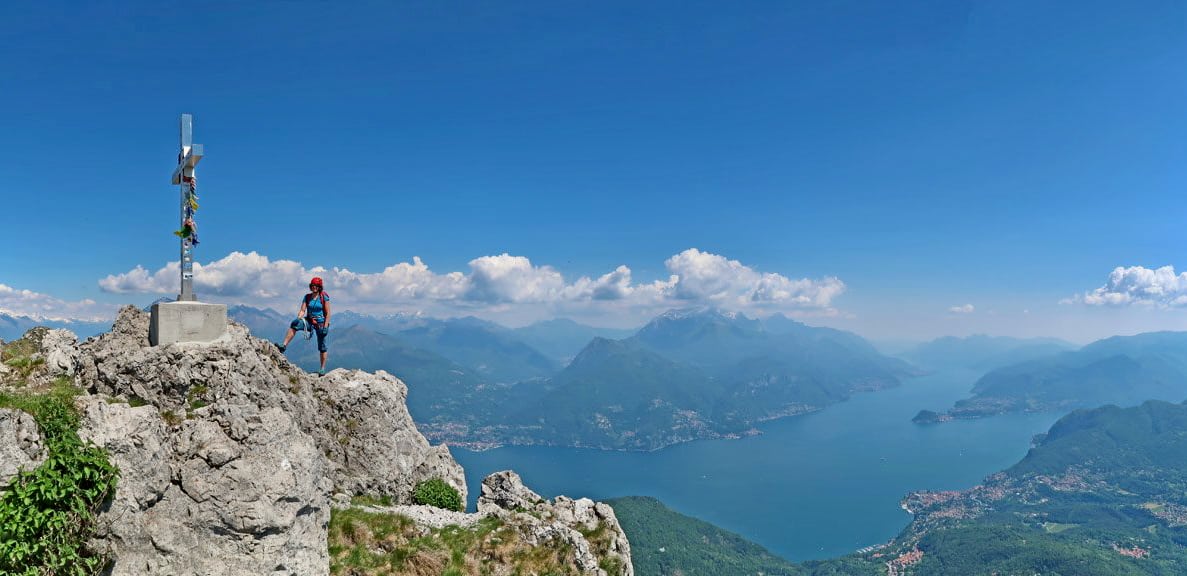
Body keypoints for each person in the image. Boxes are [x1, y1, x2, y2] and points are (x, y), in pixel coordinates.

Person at [276, 277, 332, 376]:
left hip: (321, 323)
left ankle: (322, 369)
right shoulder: (307, 297)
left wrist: (326, 326)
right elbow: (302, 310)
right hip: (310, 321)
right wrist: (298, 318)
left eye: (316, 286)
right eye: (313, 285)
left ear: (319, 287)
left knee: (322, 346)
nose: (314, 287)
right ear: (311, 286)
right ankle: (283, 346)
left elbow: (328, 313)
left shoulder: (324, 297)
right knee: (295, 324)